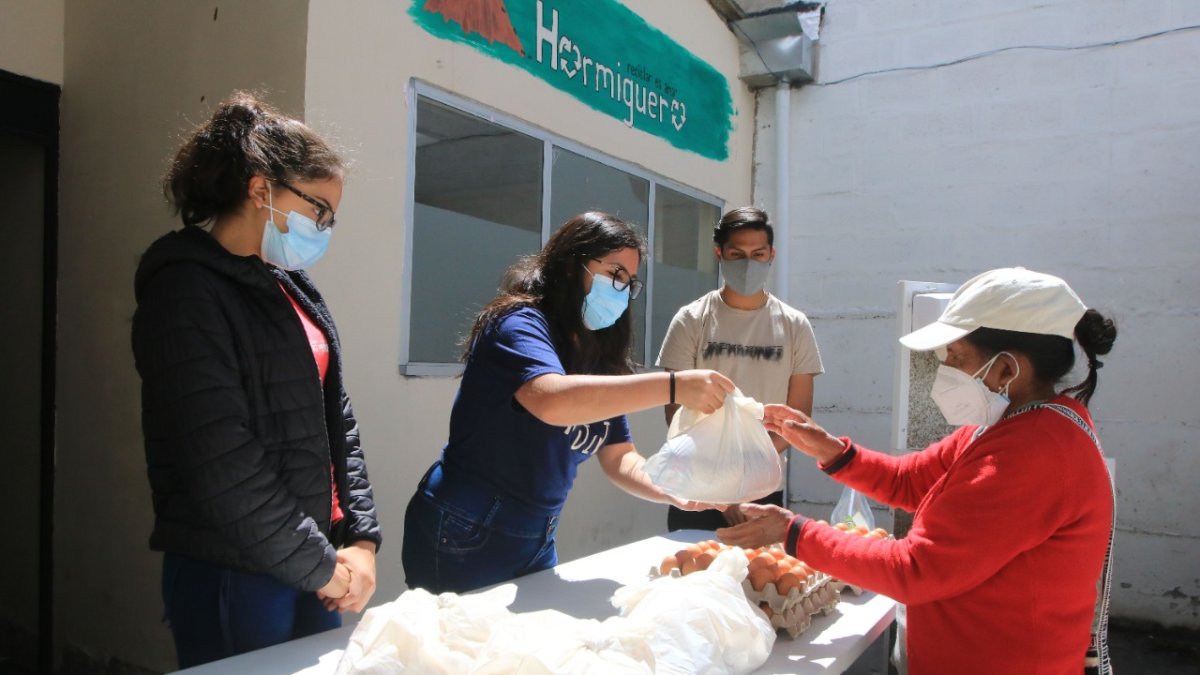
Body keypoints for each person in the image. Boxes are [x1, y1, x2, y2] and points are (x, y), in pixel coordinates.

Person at [718, 267, 1117, 675]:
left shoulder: (1035, 453)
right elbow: (909, 482)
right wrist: (829, 448)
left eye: (957, 358)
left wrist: (792, 532)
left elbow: (914, 569)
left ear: (1007, 370)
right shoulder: (1006, 429)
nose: (945, 371)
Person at [131, 93, 382, 668]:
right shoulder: (185, 290)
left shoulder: (289, 285)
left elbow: (335, 415)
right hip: (236, 572)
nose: (323, 228)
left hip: (316, 563)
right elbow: (220, 459)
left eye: (330, 218)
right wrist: (324, 567)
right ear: (259, 188)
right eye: (318, 209)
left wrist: (360, 541)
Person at [401, 211, 736, 593]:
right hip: (466, 527)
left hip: (536, 533)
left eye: (629, 281)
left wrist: (673, 486)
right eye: (614, 273)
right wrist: (675, 385)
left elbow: (619, 456)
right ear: (571, 264)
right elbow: (551, 400)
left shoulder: (597, 354)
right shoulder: (518, 324)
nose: (621, 290)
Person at [656, 207, 823, 531]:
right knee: (691, 576)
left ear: (772, 255)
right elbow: (675, 410)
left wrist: (742, 481)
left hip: (761, 488)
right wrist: (722, 488)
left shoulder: (794, 325)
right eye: (737, 254)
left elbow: (797, 415)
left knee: (761, 579)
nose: (748, 264)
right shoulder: (691, 319)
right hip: (695, 487)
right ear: (719, 254)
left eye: (758, 254)